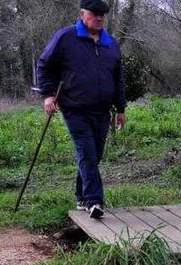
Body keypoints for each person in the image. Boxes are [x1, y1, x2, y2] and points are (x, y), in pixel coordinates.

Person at [37, 0, 127, 220]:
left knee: (95, 154)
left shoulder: (110, 43)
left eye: (102, 15)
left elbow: (118, 78)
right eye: (94, 14)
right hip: (75, 108)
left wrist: (121, 108)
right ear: (81, 14)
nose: (99, 18)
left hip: (102, 110)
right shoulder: (66, 38)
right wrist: (48, 95)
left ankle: (80, 196)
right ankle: (93, 201)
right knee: (86, 152)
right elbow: (44, 65)